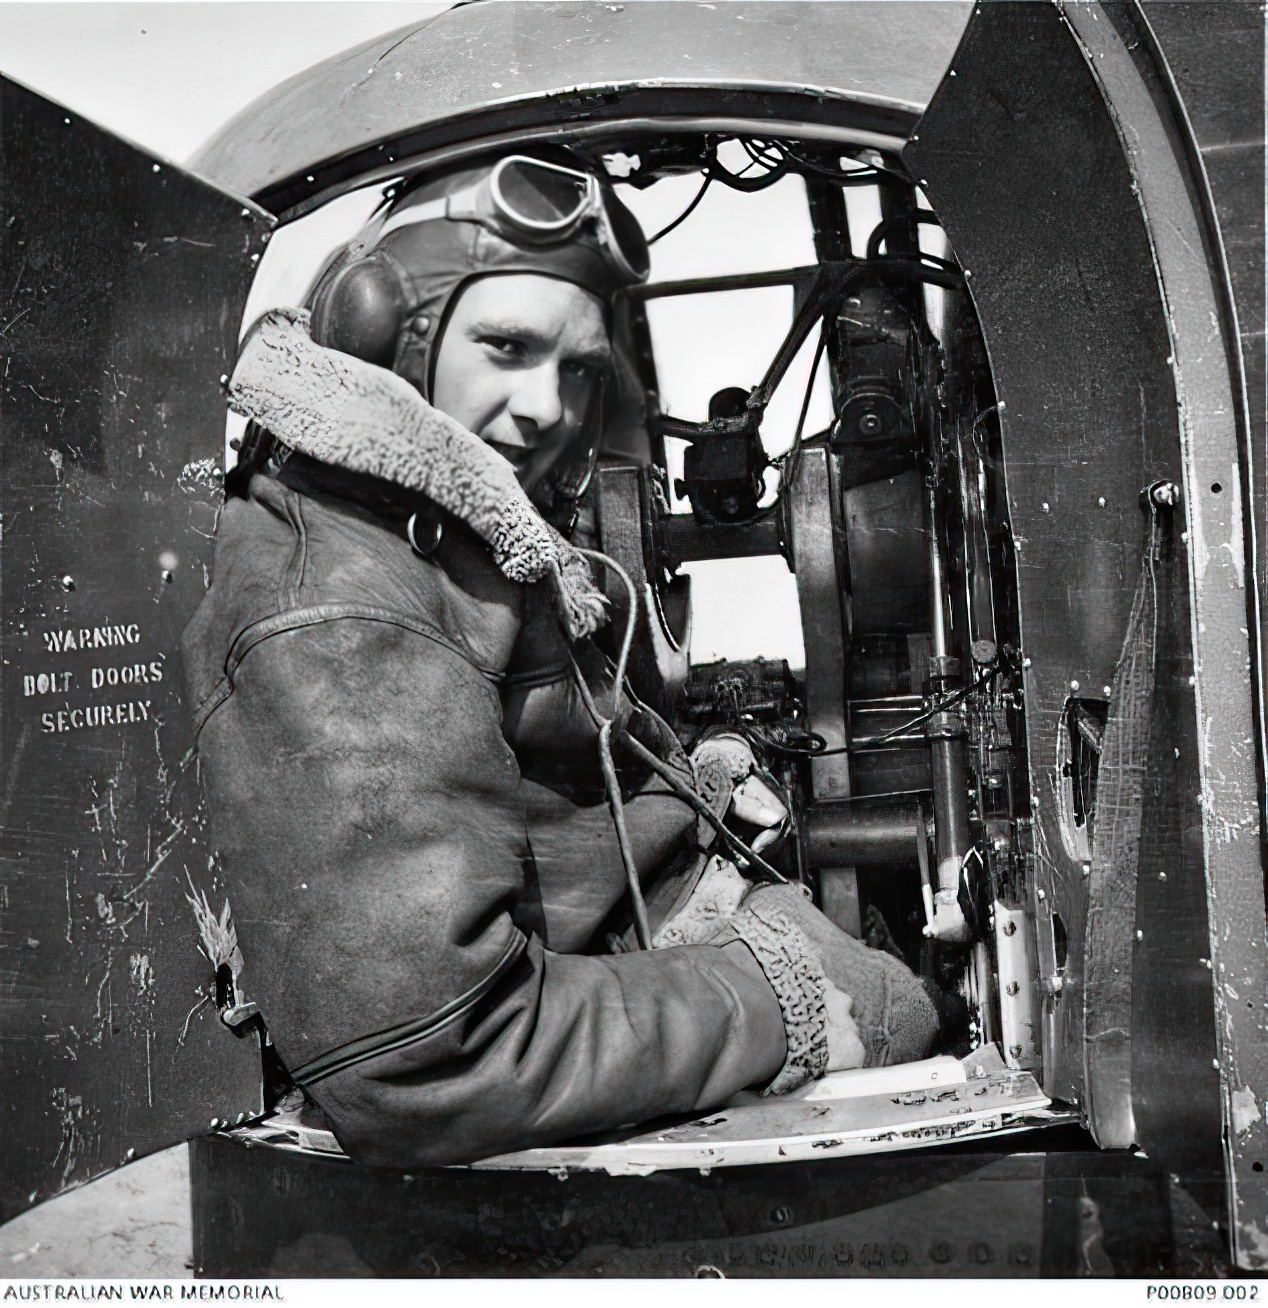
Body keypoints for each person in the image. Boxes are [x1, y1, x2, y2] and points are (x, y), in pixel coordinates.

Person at [182, 152, 938, 1169]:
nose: (547, 407)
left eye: (578, 368)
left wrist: (688, 780)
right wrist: (778, 998)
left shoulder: (435, 534)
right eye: (505, 347)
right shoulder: (342, 609)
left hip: (644, 938)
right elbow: (436, 1065)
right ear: (380, 331)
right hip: (571, 1016)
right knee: (903, 1008)